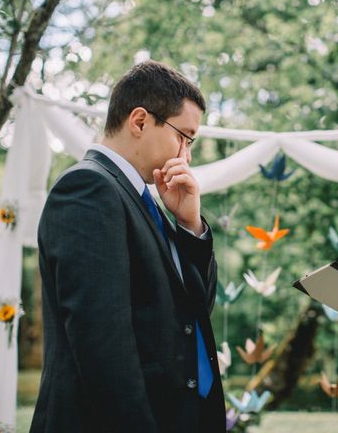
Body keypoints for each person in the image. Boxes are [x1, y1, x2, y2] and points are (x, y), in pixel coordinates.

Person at [30, 61, 225, 432]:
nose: (187, 153)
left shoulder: (142, 198)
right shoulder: (89, 189)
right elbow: (104, 348)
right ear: (139, 121)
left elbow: (193, 314)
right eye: (184, 136)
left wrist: (189, 224)